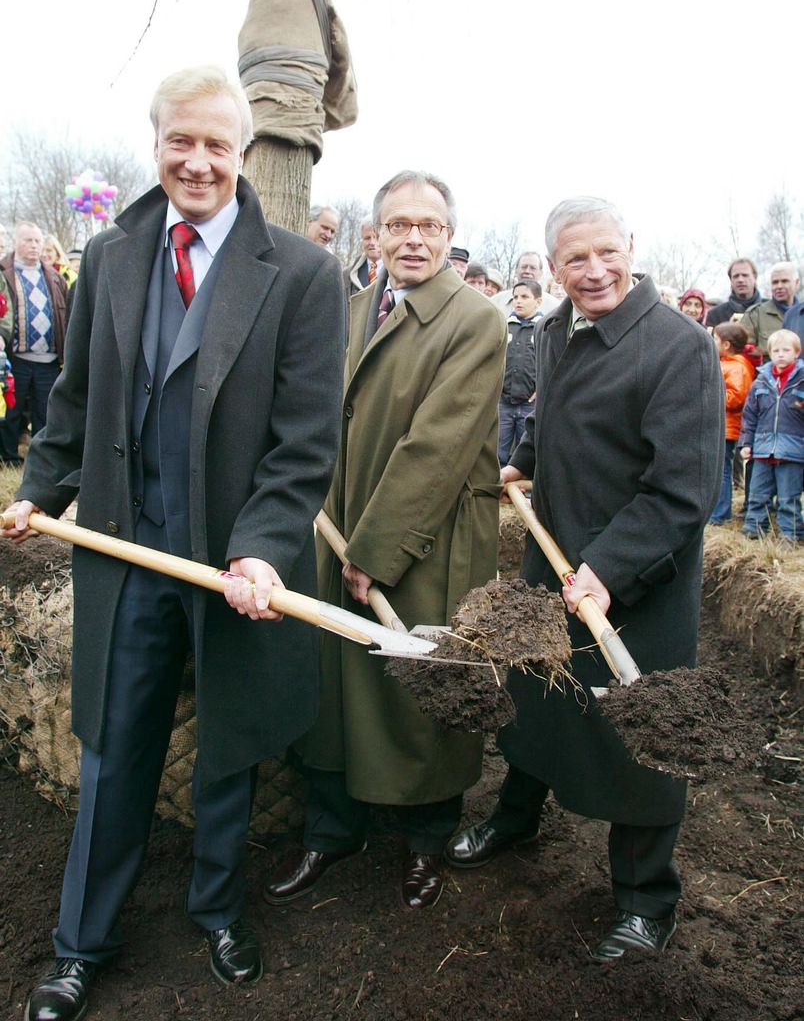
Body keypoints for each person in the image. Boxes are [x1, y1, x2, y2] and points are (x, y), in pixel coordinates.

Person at [6, 65, 345, 1021]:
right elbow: (73, 400)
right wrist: (38, 490)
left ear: (245, 154)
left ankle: (218, 909)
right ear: (155, 144)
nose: (198, 163)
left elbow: (307, 437)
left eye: (217, 145)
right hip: (126, 555)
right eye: (180, 142)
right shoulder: (111, 256)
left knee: (230, 745)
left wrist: (265, 547)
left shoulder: (306, 275)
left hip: (234, 563)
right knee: (115, 745)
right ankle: (82, 944)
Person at [446, 196, 723, 962]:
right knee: (534, 696)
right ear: (553, 265)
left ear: (630, 246)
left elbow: (683, 491)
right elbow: (551, 416)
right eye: (575, 259)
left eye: (606, 252)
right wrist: (524, 463)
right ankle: (515, 818)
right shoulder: (557, 331)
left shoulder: (681, 349)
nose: (594, 270)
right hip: (554, 561)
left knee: (639, 727)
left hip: (637, 577)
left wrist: (610, 566)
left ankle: (646, 898)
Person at [265, 170, 506, 913]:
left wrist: (375, 551)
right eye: (397, 225)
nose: (412, 239)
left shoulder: (475, 320)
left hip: (422, 535)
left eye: (428, 226)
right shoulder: (352, 308)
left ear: (448, 235)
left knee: (419, 686)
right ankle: (332, 830)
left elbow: (436, 448)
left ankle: (426, 841)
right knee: (335, 680)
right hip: (335, 522)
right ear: (374, 236)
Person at [0, 221, 68, 466]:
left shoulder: (54, 277)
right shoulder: (4, 273)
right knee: (12, 410)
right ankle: (8, 458)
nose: (34, 245)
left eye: (38, 241)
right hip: (15, 359)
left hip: (48, 360)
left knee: (45, 412)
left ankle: (40, 461)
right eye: (28, 240)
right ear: (16, 242)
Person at [740, 328, 804, 543]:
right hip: (763, 448)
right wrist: (746, 443)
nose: (781, 355)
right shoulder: (761, 382)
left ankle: (791, 535)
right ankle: (753, 530)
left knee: (789, 497)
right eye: (776, 350)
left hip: (793, 450)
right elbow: (750, 416)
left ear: (797, 352)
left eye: (786, 350)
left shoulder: (801, 382)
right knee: (758, 494)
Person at [709, 323, 755, 526]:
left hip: (727, 427)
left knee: (722, 471)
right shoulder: (725, 363)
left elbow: (736, 397)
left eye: (715, 339)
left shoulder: (737, 367)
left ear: (726, 344)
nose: (712, 341)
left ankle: (720, 513)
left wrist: (708, 395)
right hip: (720, 425)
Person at [498, 279, 542, 465]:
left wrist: (542, 387)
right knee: (497, 450)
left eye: (525, 297)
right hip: (504, 402)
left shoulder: (545, 327)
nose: (518, 301)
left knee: (524, 455)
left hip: (529, 405)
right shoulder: (504, 325)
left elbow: (553, 362)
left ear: (538, 301)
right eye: (515, 297)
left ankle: (520, 492)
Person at [742, 262, 800, 358]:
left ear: (797, 283)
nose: (779, 286)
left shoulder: (800, 314)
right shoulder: (755, 314)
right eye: (775, 282)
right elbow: (744, 355)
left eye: (785, 281)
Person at [493, 250, 559, 315]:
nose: (527, 271)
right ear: (516, 271)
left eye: (533, 268)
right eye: (524, 267)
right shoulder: (496, 302)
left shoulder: (555, 307)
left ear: (540, 273)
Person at [706, 258, 763, 328]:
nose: (740, 280)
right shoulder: (716, 314)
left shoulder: (771, 309)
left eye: (745, 275)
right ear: (731, 280)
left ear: (755, 277)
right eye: (736, 276)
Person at [344, 219, 382, 295]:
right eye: (367, 238)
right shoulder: (346, 276)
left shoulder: (397, 273)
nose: (372, 243)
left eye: (376, 237)